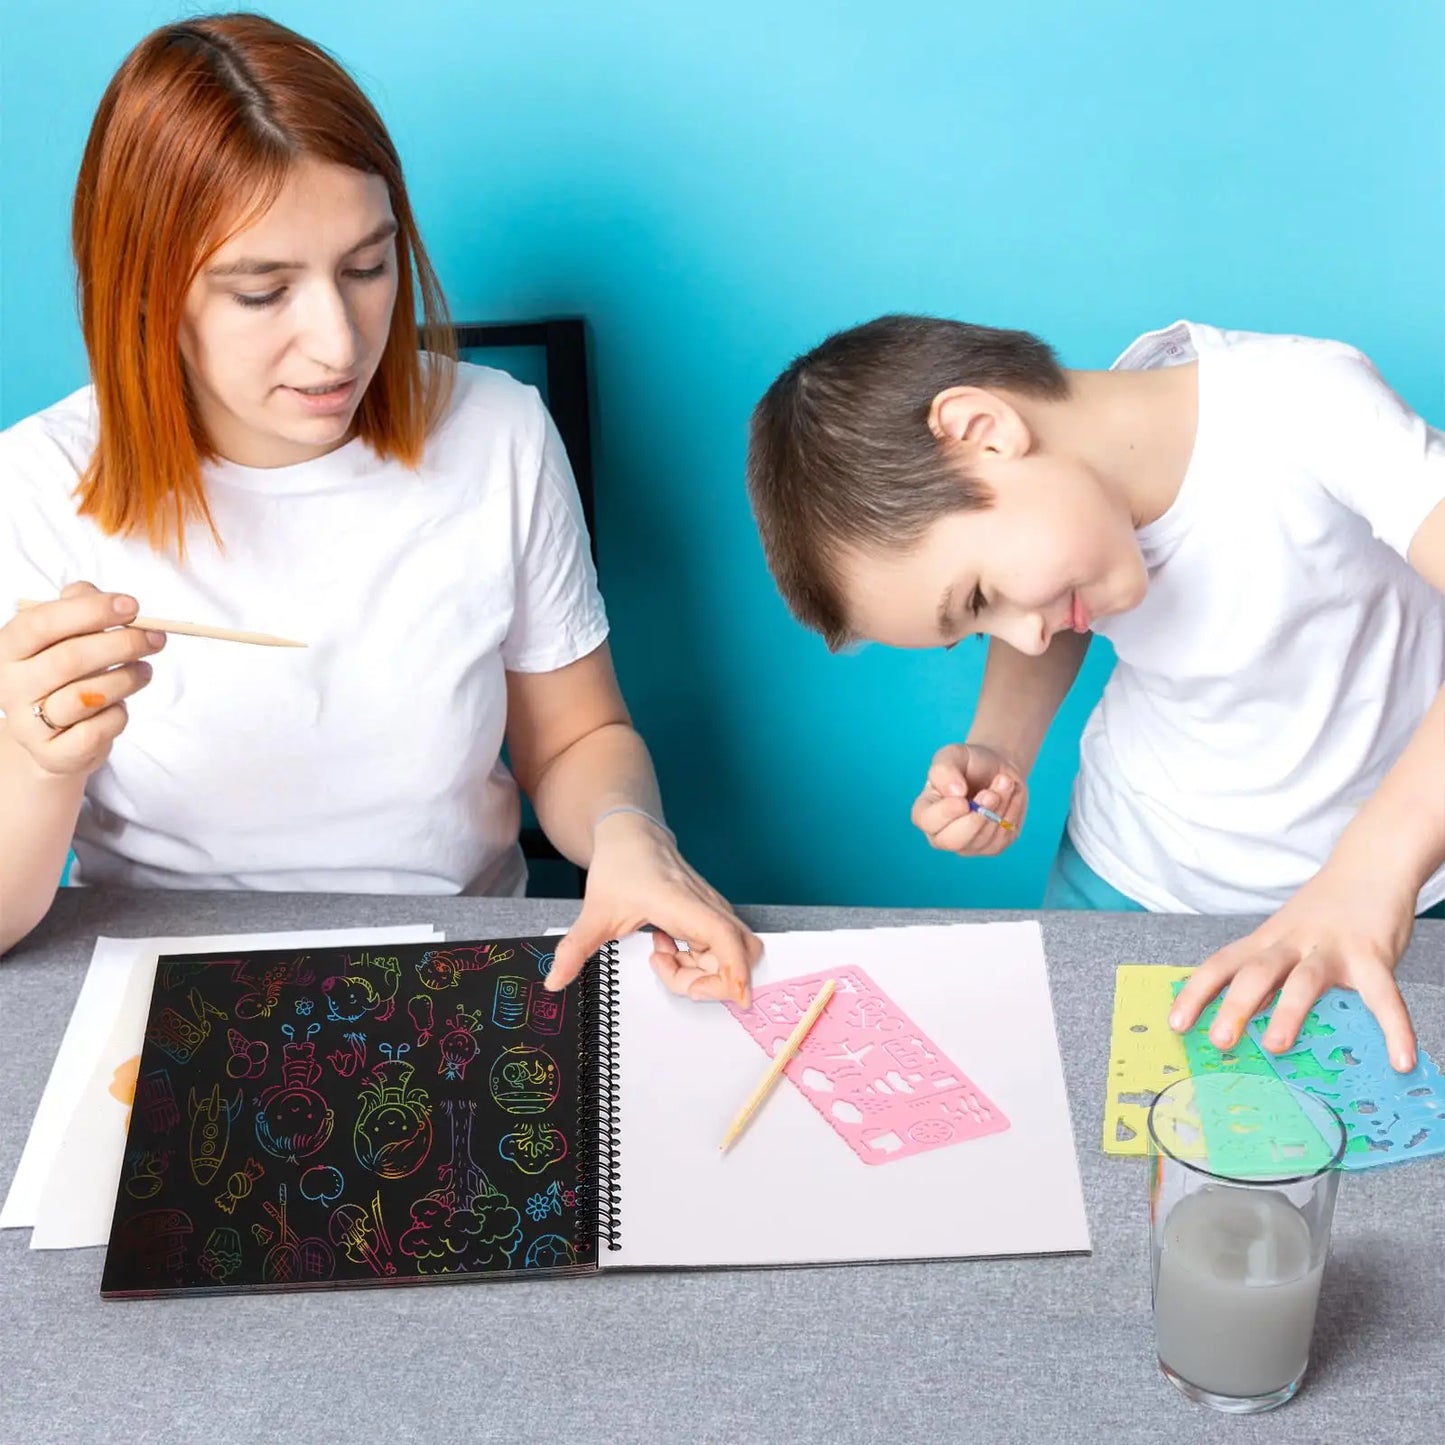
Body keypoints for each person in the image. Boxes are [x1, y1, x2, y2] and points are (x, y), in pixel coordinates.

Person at [0, 12, 759, 1004]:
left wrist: (627, 833)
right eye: (262, 292)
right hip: (158, 985)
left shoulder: (498, 434)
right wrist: (34, 757)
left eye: (367, 266)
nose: (337, 343)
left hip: (460, 967)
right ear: (146, 295)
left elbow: (576, 738)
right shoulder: (33, 485)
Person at [745, 313, 1445, 1068]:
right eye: (981, 629)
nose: (1025, 636)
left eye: (979, 596)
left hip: (1393, 888)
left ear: (982, 430)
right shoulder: (1084, 469)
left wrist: (1374, 869)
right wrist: (998, 743)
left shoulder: (1305, 405)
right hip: (1121, 876)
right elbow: (1067, 608)